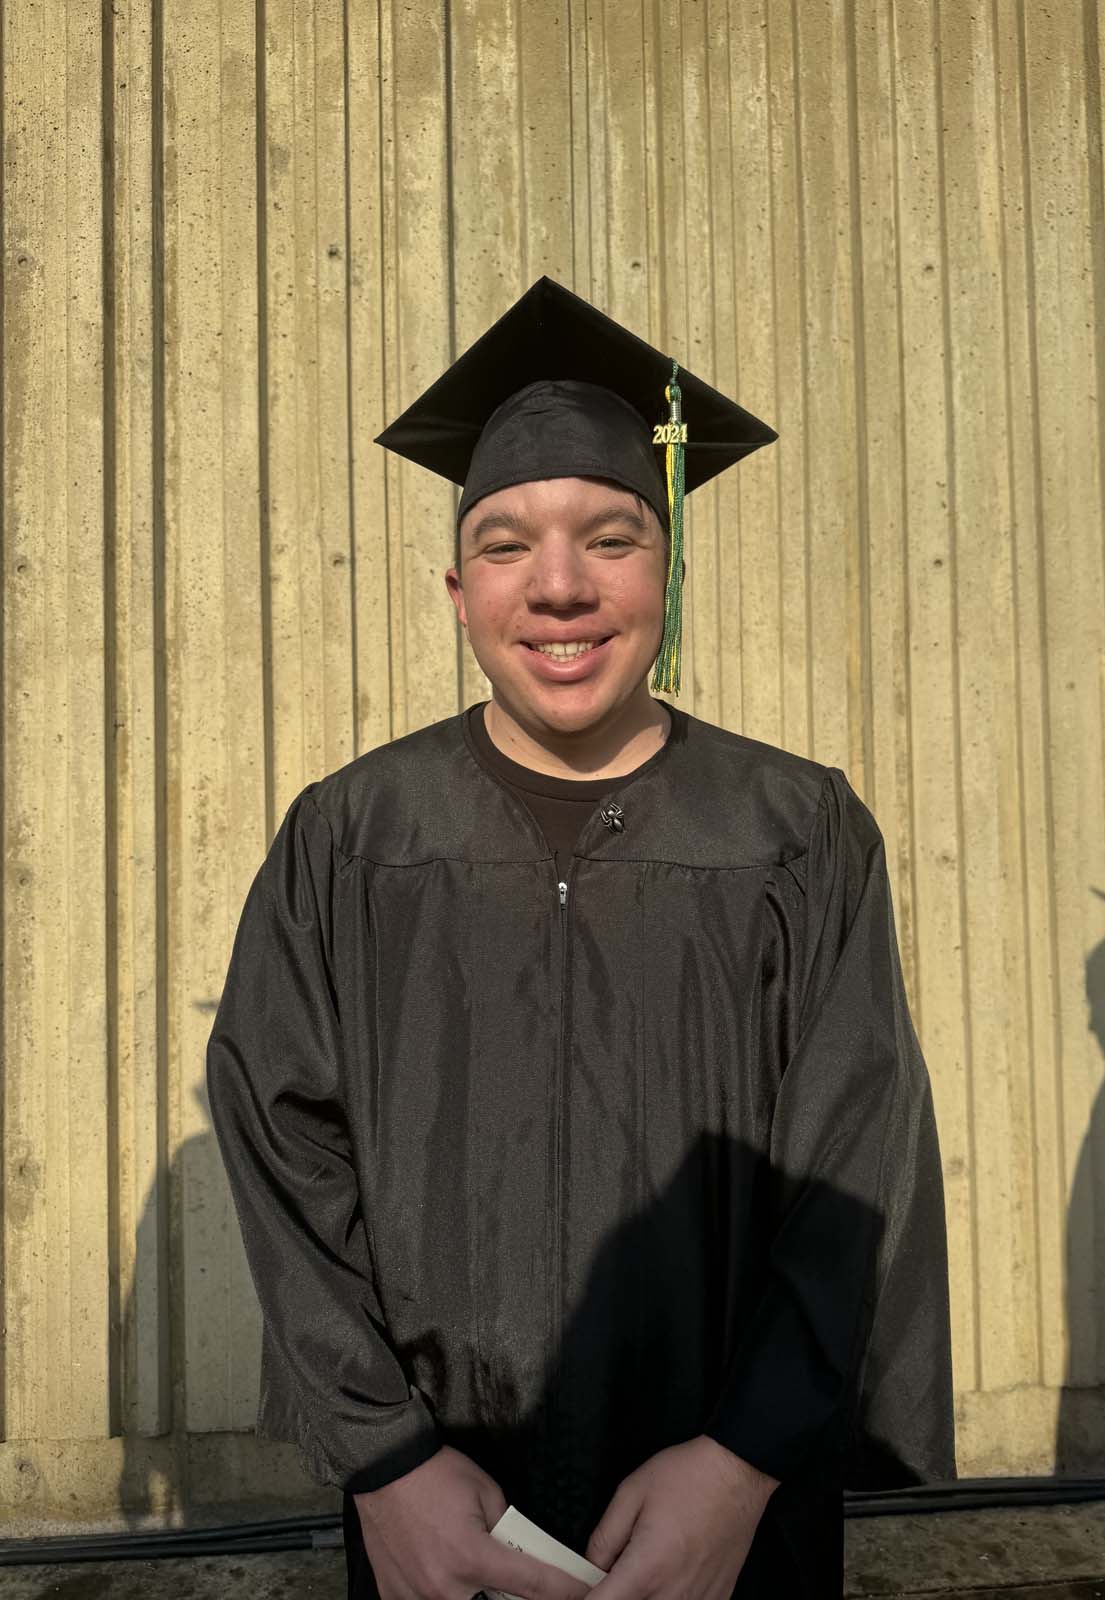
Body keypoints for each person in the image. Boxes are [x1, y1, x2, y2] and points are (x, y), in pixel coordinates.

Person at [206, 277, 955, 1600]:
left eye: (610, 538)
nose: (558, 589)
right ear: (455, 587)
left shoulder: (797, 832)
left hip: (729, 1520)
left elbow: (858, 1159)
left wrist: (742, 1463)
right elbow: (279, 1138)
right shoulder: (355, 837)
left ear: (669, 562)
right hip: (446, 1509)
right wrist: (386, 1462)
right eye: (507, 545)